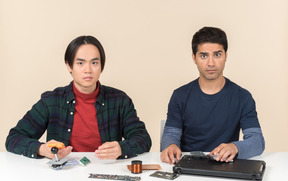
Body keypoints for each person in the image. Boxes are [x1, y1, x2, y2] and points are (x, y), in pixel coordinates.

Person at [5, 35, 152, 160]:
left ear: (101, 66)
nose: (88, 70)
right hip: (63, 175)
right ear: (69, 66)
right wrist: (42, 149)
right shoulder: (52, 101)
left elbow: (143, 139)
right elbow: (14, 138)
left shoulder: (120, 100)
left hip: (107, 173)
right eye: (80, 63)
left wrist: (121, 149)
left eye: (94, 63)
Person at [160, 26, 265, 164]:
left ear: (226, 56)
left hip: (225, 166)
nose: (211, 63)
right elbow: (171, 134)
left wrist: (235, 147)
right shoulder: (180, 96)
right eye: (204, 55)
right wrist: (170, 146)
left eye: (217, 55)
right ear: (194, 58)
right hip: (187, 168)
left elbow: (257, 141)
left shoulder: (243, 97)